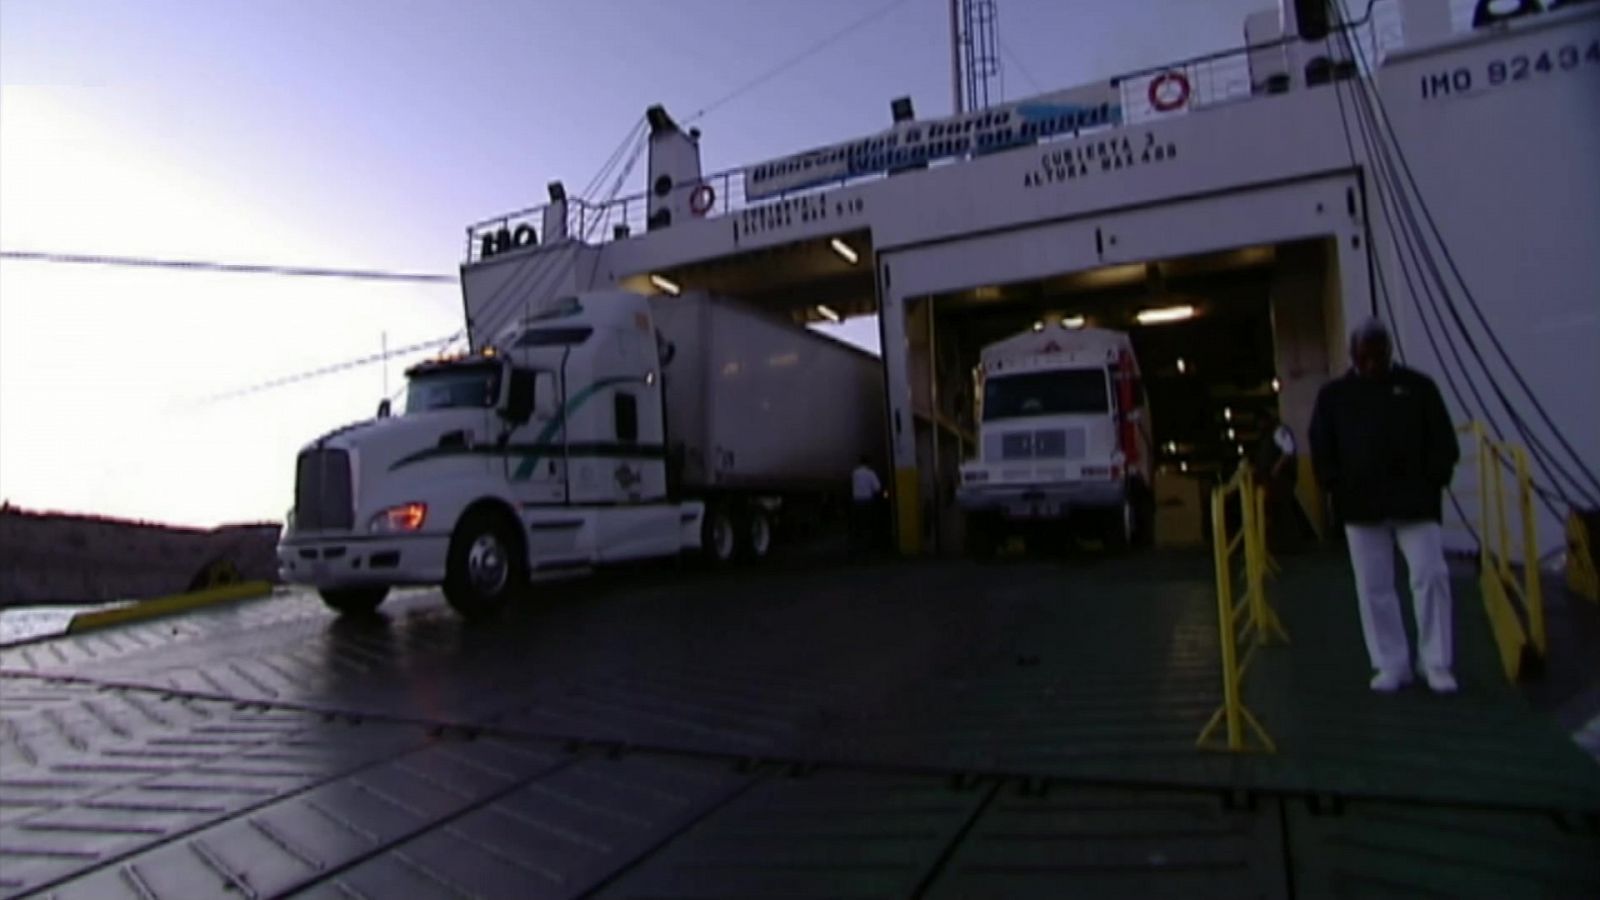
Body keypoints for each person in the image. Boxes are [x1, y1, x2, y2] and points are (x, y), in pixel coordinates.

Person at [1310, 318, 1461, 694]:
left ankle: (1436, 663)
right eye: (1365, 358)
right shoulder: (1334, 397)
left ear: (1389, 352)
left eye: (1378, 357)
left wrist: (1434, 479)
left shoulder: (1419, 388)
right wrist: (1334, 486)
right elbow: (1321, 445)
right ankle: (1391, 664)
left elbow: (1443, 440)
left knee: (1430, 576)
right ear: (1353, 356)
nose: (1372, 365)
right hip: (1361, 507)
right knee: (1373, 586)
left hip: (1416, 503)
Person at [1252, 412, 1313, 553]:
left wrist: (1276, 468)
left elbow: (1288, 451)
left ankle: (1292, 542)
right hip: (1275, 477)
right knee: (1282, 508)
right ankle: (1290, 541)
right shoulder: (1268, 435)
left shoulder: (1278, 431)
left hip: (1281, 477)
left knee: (1284, 508)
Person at [851, 456, 884, 555]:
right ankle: (869, 547)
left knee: (859, 524)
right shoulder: (871, 473)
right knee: (869, 524)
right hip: (867, 501)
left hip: (856, 501)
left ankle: (858, 547)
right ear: (868, 463)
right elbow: (877, 488)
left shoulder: (855, 473)